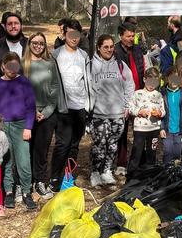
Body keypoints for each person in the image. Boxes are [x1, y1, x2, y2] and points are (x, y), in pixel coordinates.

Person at [0, 52, 37, 209]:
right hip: (3, 127)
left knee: (23, 160)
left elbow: (31, 107)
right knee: (7, 160)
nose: (12, 68)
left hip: (20, 125)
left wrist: (28, 127)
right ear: (3, 66)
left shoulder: (24, 82)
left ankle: (26, 191)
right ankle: (9, 192)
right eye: (9, 65)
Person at [87, 34, 136, 186]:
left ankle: (106, 171)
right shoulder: (90, 65)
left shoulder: (120, 64)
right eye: (105, 47)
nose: (109, 50)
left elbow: (129, 85)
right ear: (99, 48)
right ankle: (95, 172)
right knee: (100, 145)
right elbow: (86, 88)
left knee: (113, 144)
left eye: (111, 46)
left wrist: (127, 106)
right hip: (98, 114)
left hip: (118, 113)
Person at [24, 31, 63, 199]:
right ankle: (26, 181)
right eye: (35, 43)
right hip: (27, 113)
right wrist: (32, 110)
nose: (38, 46)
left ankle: (39, 181)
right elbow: (19, 89)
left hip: (47, 113)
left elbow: (56, 87)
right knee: (27, 149)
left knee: (42, 149)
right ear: (29, 44)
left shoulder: (50, 63)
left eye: (41, 43)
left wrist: (46, 111)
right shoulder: (22, 63)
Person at [51, 19, 90, 184]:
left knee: (74, 145)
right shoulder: (56, 54)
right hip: (63, 108)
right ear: (64, 34)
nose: (74, 38)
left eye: (77, 34)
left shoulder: (83, 55)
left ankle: (68, 177)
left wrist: (88, 105)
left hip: (80, 106)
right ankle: (54, 176)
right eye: (71, 34)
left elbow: (87, 80)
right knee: (62, 144)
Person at [114, 23, 147, 178]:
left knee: (140, 131)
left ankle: (139, 161)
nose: (131, 38)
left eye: (133, 35)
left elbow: (144, 69)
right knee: (122, 131)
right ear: (121, 36)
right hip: (122, 97)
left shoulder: (138, 50)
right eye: (128, 36)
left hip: (139, 96)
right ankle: (121, 163)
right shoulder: (115, 51)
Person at [127, 69, 164, 170]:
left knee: (151, 154)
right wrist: (139, 111)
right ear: (144, 79)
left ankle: (149, 176)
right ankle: (132, 174)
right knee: (137, 152)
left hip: (154, 130)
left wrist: (159, 113)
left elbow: (163, 110)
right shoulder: (137, 93)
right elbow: (130, 108)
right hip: (140, 129)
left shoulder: (159, 95)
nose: (152, 85)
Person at [159, 68, 182, 165]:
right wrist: (161, 128)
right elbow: (159, 112)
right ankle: (166, 172)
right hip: (167, 130)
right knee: (167, 152)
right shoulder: (162, 93)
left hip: (180, 131)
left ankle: (175, 174)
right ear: (167, 79)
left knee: (177, 154)